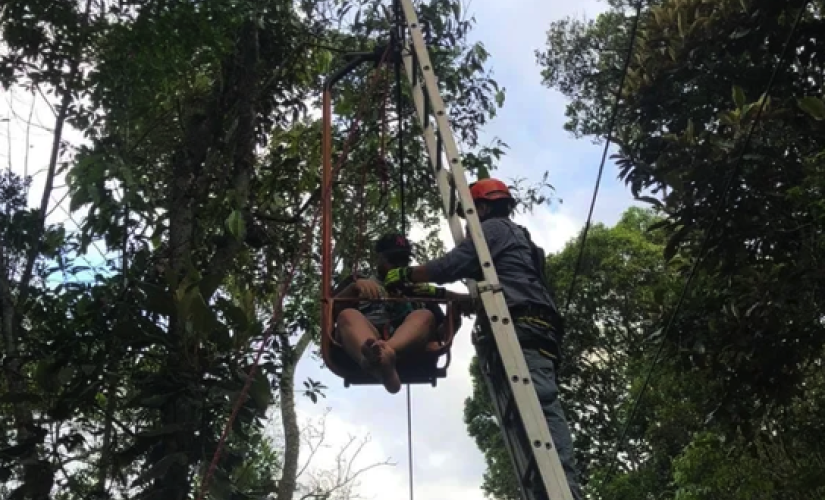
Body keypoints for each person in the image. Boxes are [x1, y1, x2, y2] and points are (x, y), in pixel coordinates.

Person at [380, 178, 583, 500]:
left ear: (483, 208)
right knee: (527, 416)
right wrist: (435, 294)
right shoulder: (513, 247)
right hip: (527, 322)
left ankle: (565, 492)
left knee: (540, 407)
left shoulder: (494, 229)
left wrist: (409, 274)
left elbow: (450, 265)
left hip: (523, 324)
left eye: (470, 214)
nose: (467, 222)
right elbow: (486, 297)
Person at [332, 233, 465, 394]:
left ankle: (383, 355)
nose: (398, 266)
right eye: (393, 260)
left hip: (407, 343)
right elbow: (332, 315)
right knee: (348, 315)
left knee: (424, 315)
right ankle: (373, 357)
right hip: (367, 334)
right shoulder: (359, 282)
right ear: (379, 258)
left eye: (404, 261)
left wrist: (454, 320)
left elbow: (440, 334)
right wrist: (354, 288)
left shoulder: (418, 290)